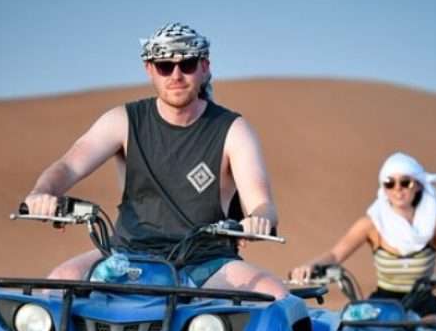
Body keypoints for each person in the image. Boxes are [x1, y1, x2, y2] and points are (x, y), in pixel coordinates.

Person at [24, 22, 287, 298]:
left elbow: (262, 202)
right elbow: (69, 165)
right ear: (149, 69)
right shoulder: (124, 121)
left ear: (204, 68)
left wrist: (257, 220)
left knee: (273, 295)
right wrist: (42, 192)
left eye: (187, 64)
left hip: (205, 263)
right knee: (55, 285)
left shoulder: (233, 129)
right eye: (164, 66)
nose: (176, 75)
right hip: (126, 256)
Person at [289, 152, 436, 316]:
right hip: (383, 302)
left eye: (405, 182)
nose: (398, 189)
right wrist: (309, 266)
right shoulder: (372, 224)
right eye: (390, 183)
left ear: (417, 185)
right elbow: (336, 254)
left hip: (424, 303)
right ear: (383, 187)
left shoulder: (435, 223)